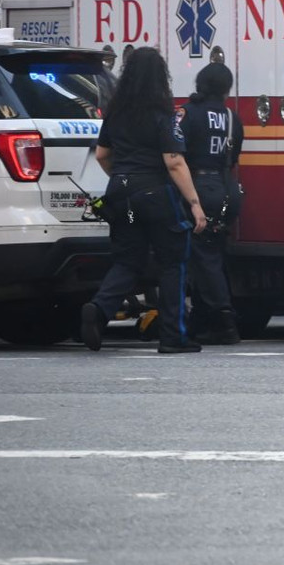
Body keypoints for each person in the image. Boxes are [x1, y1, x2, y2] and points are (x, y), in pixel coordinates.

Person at [80, 47, 208, 353]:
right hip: (155, 194)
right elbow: (174, 161)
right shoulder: (163, 114)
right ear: (160, 77)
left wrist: (123, 177)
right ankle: (173, 337)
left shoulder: (115, 112)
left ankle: (99, 309)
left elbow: (102, 154)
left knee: (128, 260)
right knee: (173, 262)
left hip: (121, 192)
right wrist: (194, 203)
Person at [180, 63, 244, 345]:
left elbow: (175, 154)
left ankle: (224, 319)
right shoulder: (232, 118)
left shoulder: (188, 114)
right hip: (227, 190)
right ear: (226, 89)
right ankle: (200, 320)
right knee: (211, 255)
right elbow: (234, 157)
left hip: (198, 188)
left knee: (203, 257)